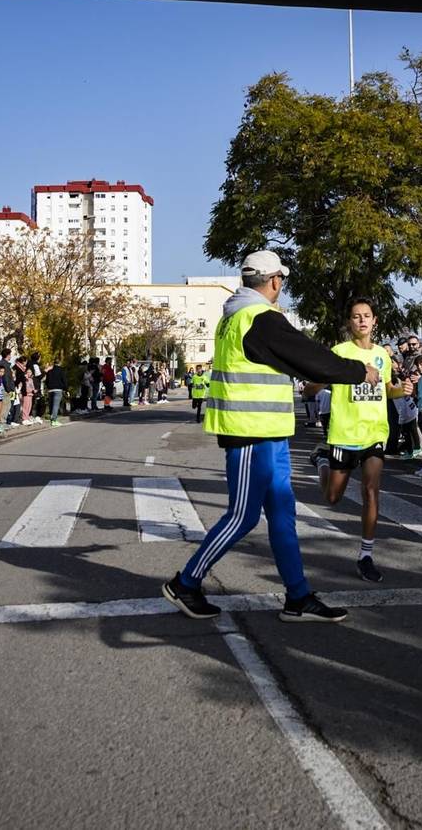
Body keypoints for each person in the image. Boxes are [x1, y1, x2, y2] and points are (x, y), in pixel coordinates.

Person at [162, 251, 374, 623]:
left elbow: (293, 362)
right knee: (242, 516)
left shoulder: (240, 316)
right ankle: (187, 582)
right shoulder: (258, 318)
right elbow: (311, 357)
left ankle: (298, 597)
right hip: (248, 434)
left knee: (282, 513)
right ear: (276, 280)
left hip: (269, 433)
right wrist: (359, 371)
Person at [306, 298, 397, 582]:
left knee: (372, 490)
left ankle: (365, 555)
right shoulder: (339, 352)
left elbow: (387, 389)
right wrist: (330, 372)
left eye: (366, 316)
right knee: (333, 497)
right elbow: (310, 389)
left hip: (374, 432)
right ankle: (322, 460)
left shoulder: (383, 354)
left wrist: (402, 391)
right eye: (356, 316)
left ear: (374, 321)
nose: (361, 321)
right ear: (350, 322)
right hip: (345, 434)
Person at [44, 359, 66, 427]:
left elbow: (46, 380)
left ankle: (51, 415)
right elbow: (64, 380)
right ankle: (54, 420)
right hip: (58, 389)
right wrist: (65, 388)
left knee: (51, 404)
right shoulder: (61, 371)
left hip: (50, 389)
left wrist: (48, 386)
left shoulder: (50, 371)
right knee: (56, 405)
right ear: (60, 363)